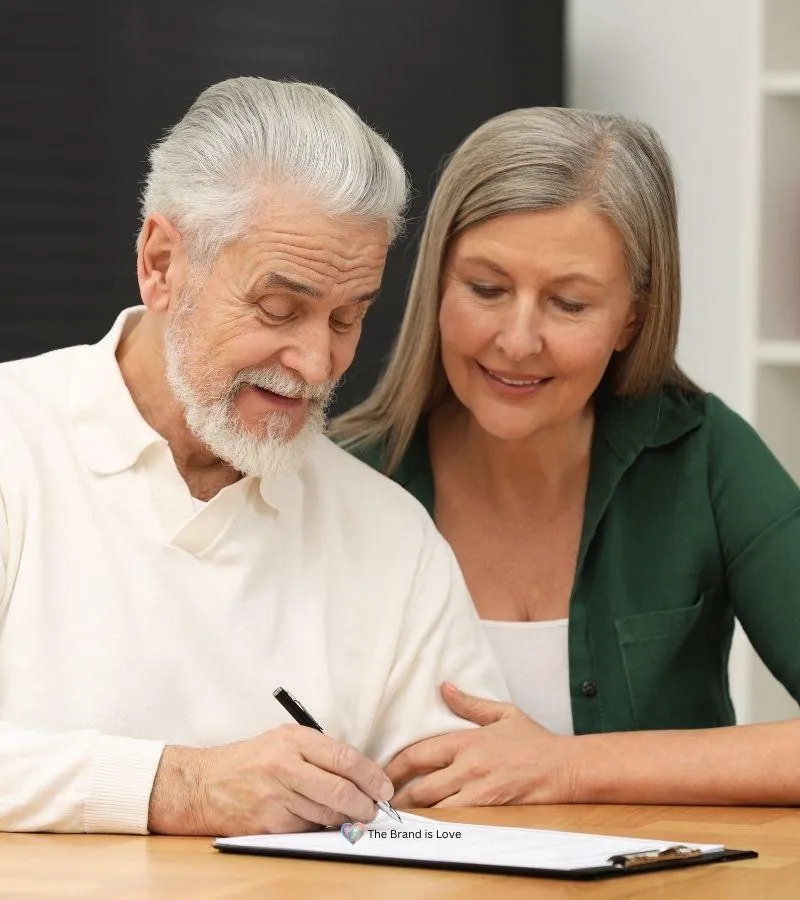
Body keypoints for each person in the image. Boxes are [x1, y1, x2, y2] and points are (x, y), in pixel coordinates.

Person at [0, 77, 508, 835]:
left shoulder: (390, 536)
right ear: (163, 262)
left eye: (348, 318)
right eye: (279, 308)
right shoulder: (16, 440)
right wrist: (182, 787)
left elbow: (464, 815)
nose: (315, 363)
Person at [332, 107, 800, 807]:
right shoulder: (341, 480)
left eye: (570, 303)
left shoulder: (705, 458)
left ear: (631, 318)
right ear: (436, 283)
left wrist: (566, 768)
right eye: (486, 289)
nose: (517, 341)